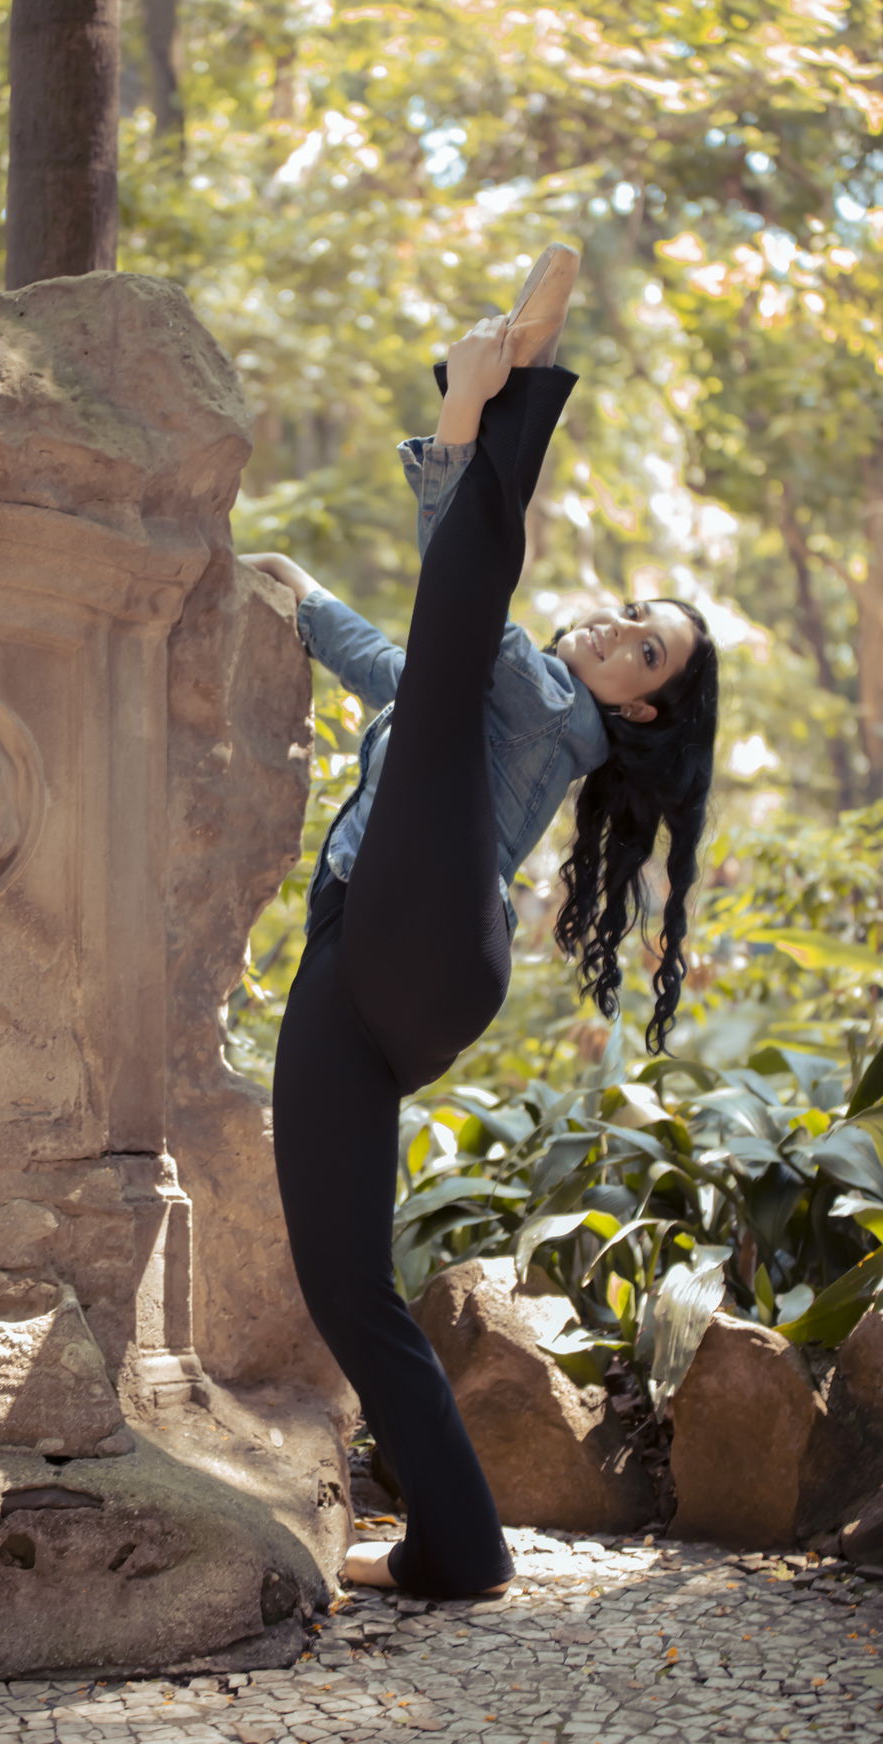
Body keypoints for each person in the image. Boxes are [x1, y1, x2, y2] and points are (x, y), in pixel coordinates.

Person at [240, 243, 719, 1600]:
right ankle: (464, 1547)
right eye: (630, 614)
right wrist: (290, 590)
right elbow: (406, 671)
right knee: (342, 1276)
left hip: (423, 932)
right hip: (390, 957)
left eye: (646, 650)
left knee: (462, 610)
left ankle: (512, 382)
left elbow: (461, 601)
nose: (619, 631)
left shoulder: (549, 705)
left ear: (637, 709)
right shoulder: (491, 694)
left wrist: (470, 412)